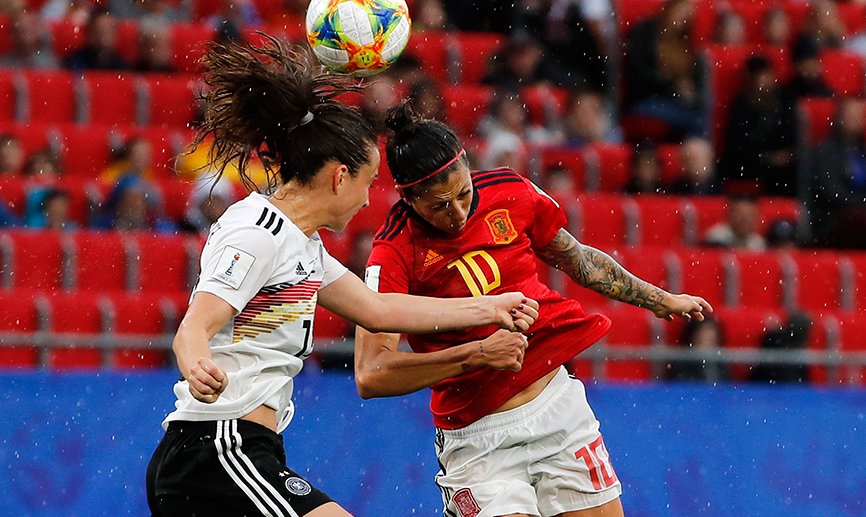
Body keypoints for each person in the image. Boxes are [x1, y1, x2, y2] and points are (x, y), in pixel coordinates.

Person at [145, 37, 539, 517]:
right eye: (367, 183)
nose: (367, 199)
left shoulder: (300, 242)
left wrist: (490, 306)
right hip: (219, 448)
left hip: (237, 451)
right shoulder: (257, 234)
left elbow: (379, 309)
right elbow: (193, 327)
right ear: (338, 177)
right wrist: (196, 364)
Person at [355, 103, 712, 517]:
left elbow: (577, 259)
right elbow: (372, 374)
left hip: (558, 410)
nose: (456, 214)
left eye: (463, 194)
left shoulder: (512, 190)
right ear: (406, 197)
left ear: (469, 165)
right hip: (477, 438)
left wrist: (660, 299)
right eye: (438, 206)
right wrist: (476, 355)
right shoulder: (393, 252)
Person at [665, 317, 728, 382]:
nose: (708, 336)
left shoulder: (721, 363)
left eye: (711, 333)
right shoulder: (682, 363)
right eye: (704, 331)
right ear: (693, 335)